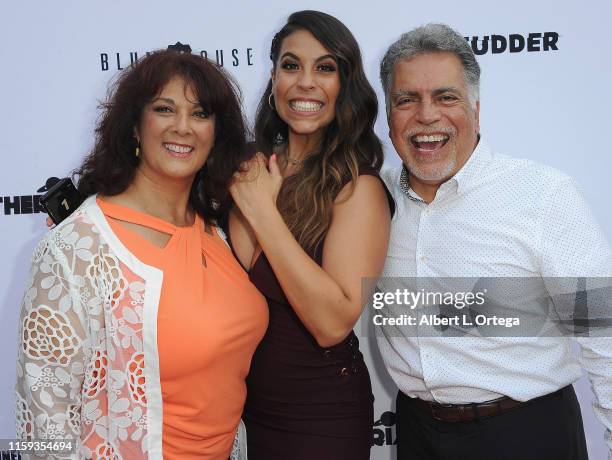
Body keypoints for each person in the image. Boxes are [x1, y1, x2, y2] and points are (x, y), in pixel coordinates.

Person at [15, 50, 268, 459]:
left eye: (200, 113)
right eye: (165, 109)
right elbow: (44, 418)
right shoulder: (76, 249)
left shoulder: (216, 231)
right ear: (135, 125)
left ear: (215, 133)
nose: (183, 127)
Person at [376, 23, 612, 460]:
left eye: (446, 97)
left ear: (476, 109)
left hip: (528, 435)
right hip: (416, 435)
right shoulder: (371, 201)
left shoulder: (543, 195)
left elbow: (605, 334)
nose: (427, 116)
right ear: (389, 117)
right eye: (406, 100)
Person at [225, 10, 393, 460]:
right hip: (236, 416)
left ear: (346, 86)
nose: (305, 82)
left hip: (321, 419)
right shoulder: (243, 167)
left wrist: (264, 212)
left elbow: (332, 323)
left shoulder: (358, 188)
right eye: (290, 64)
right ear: (274, 77)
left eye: (325, 68)